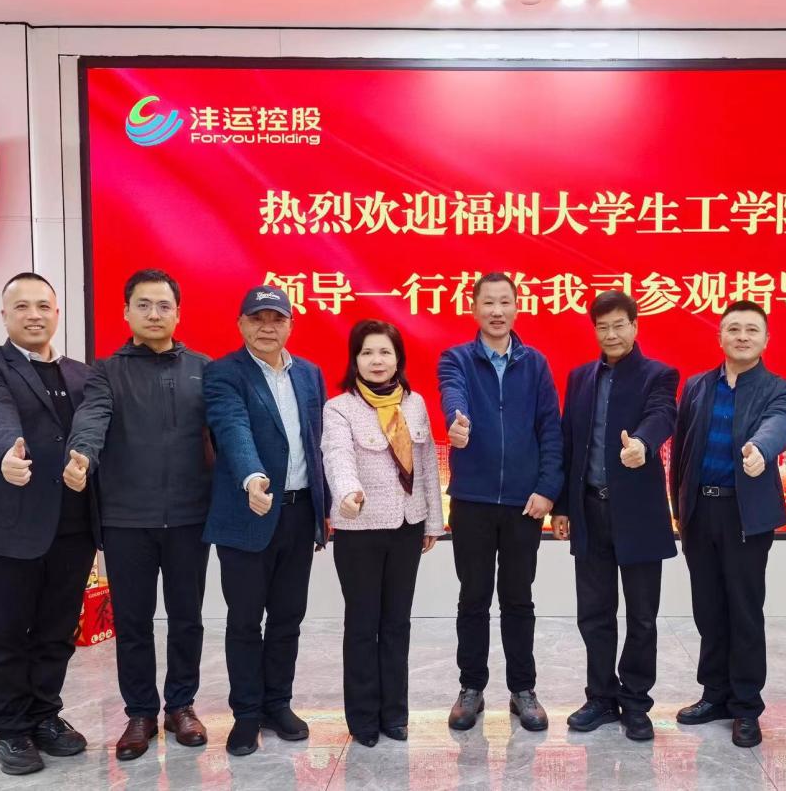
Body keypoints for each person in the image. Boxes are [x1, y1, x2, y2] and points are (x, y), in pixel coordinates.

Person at [63, 269, 212, 760]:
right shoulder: (106, 372)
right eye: (143, 305)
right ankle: (141, 713)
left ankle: (182, 706)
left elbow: (226, 431)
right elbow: (92, 418)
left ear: (178, 313)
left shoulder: (203, 369)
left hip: (190, 516)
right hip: (126, 519)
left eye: (164, 305)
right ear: (126, 312)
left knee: (187, 618)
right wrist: (81, 455)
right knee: (132, 622)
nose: (154, 314)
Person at [0, 272, 98, 776]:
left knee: (56, 632)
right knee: (5, 633)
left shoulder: (84, 375)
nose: (34, 315)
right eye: (22, 306)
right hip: (8, 527)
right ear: (4, 315)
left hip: (73, 527)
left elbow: (96, 431)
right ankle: (10, 731)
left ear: (57, 313)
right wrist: (6, 453)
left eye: (43, 305)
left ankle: (44, 716)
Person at [202, 285, 330, 757]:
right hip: (247, 514)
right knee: (244, 620)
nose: (267, 328)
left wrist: (326, 506)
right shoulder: (224, 373)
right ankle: (246, 713)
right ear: (241, 324)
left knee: (288, 617)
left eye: (277, 319)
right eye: (257, 319)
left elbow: (317, 442)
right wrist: (253, 477)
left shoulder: (310, 375)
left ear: (290, 325)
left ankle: (278, 703)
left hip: (299, 513)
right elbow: (231, 428)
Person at [669, 300, 786, 748]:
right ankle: (714, 694)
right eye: (733, 329)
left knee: (743, 609)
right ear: (720, 336)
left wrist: (760, 449)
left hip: (745, 516)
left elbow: (780, 425)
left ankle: (746, 706)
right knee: (708, 607)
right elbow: (681, 451)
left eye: (751, 330)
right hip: (699, 512)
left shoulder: (779, 388)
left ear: (766, 339)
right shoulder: (697, 386)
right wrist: (679, 508)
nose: (742, 336)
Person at [437, 272, 563, 732]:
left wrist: (547, 489)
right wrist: (457, 420)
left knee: (518, 599)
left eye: (504, 302)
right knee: (472, 597)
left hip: (523, 504)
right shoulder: (456, 358)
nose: (496, 311)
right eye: (488, 302)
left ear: (516, 307)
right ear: (473, 308)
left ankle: (523, 690)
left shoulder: (536, 364)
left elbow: (550, 428)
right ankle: (471, 688)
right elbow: (453, 392)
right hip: (471, 501)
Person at [551, 291, 679, 741]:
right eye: (602, 327)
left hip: (638, 514)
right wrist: (562, 506)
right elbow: (568, 442)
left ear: (635, 326)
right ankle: (601, 697)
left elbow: (663, 415)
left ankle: (637, 702)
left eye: (619, 325)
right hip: (589, 509)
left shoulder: (658, 374)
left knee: (642, 615)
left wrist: (642, 444)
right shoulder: (579, 378)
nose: (611, 334)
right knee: (594, 612)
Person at [321, 320, 445, 748]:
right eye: (367, 352)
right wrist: (347, 494)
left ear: (398, 359)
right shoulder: (339, 408)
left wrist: (432, 521)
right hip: (359, 529)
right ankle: (362, 719)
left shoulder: (415, 403)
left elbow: (426, 466)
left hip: (407, 528)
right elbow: (337, 456)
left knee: (396, 623)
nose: (377, 360)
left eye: (385, 352)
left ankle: (394, 713)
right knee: (362, 624)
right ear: (354, 359)